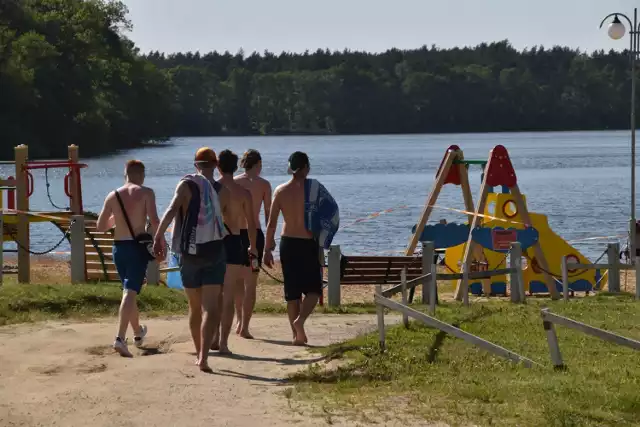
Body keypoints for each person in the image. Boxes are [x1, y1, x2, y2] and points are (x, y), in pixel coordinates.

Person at [152, 148, 228, 372]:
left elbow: (171, 210)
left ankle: (199, 354)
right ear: (215, 165)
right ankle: (204, 355)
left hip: (190, 252)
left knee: (195, 307)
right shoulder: (221, 190)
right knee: (211, 308)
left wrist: (159, 238)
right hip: (214, 250)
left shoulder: (186, 185)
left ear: (196, 165)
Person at [264, 152, 339, 346]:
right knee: (314, 290)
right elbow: (332, 210)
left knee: (292, 293)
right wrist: (323, 234)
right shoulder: (315, 188)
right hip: (308, 242)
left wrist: (267, 249)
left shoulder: (280, 191)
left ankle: (296, 335)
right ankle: (301, 321)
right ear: (306, 167)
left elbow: (271, 224)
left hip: (287, 242)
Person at [96, 160, 160, 358]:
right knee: (130, 292)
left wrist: (117, 218)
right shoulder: (146, 193)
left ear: (125, 174)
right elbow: (155, 220)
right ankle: (120, 338)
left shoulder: (113, 195)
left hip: (119, 248)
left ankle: (138, 333)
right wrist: (161, 242)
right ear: (141, 175)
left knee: (128, 290)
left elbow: (101, 226)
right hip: (136, 248)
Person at [212, 149, 257, 353]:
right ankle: (223, 343)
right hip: (235, 241)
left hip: (213, 241)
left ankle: (212, 336)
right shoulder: (243, 193)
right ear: (236, 167)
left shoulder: (211, 189)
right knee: (228, 294)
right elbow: (252, 224)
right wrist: (253, 247)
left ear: (217, 167)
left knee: (214, 293)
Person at [234, 149, 272, 339]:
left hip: (236, 234)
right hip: (254, 234)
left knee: (238, 281)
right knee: (251, 283)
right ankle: (244, 326)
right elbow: (268, 215)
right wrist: (270, 242)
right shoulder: (264, 184)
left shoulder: (234, 182)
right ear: (258, 164)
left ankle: (239, 320)